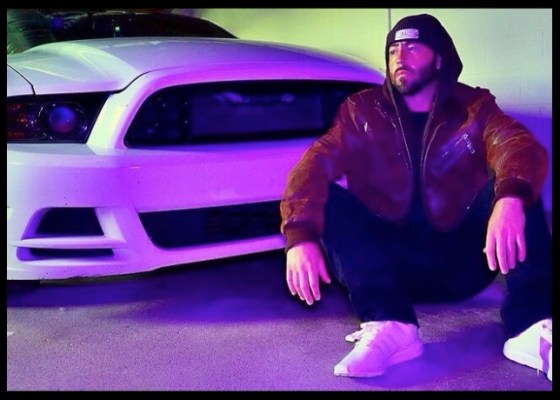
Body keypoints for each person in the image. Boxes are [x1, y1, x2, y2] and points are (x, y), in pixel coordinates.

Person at [280, 13, 552, 380]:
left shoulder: (474, 107)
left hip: (463, 263)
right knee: (325, 196)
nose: (400, 57)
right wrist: (300, 236)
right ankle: (391, 325)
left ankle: (532, 328)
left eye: (412, 47)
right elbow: (314, 165)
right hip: (390, 266)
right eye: (393, 50)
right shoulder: (361, 111)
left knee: (517, 186)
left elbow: (515, 144)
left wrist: (510, 199)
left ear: (439, 58)